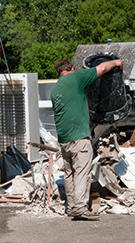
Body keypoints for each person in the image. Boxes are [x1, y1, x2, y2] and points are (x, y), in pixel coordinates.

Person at [51, 59, 123, 221]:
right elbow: (102, 68)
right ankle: (80, 208)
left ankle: (71, 207)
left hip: (64, 139)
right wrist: (117, 62)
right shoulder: (76, 77)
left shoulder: (55, 89)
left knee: (69, 173)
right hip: (78, 137)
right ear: (72, 68)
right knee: (82, 173)